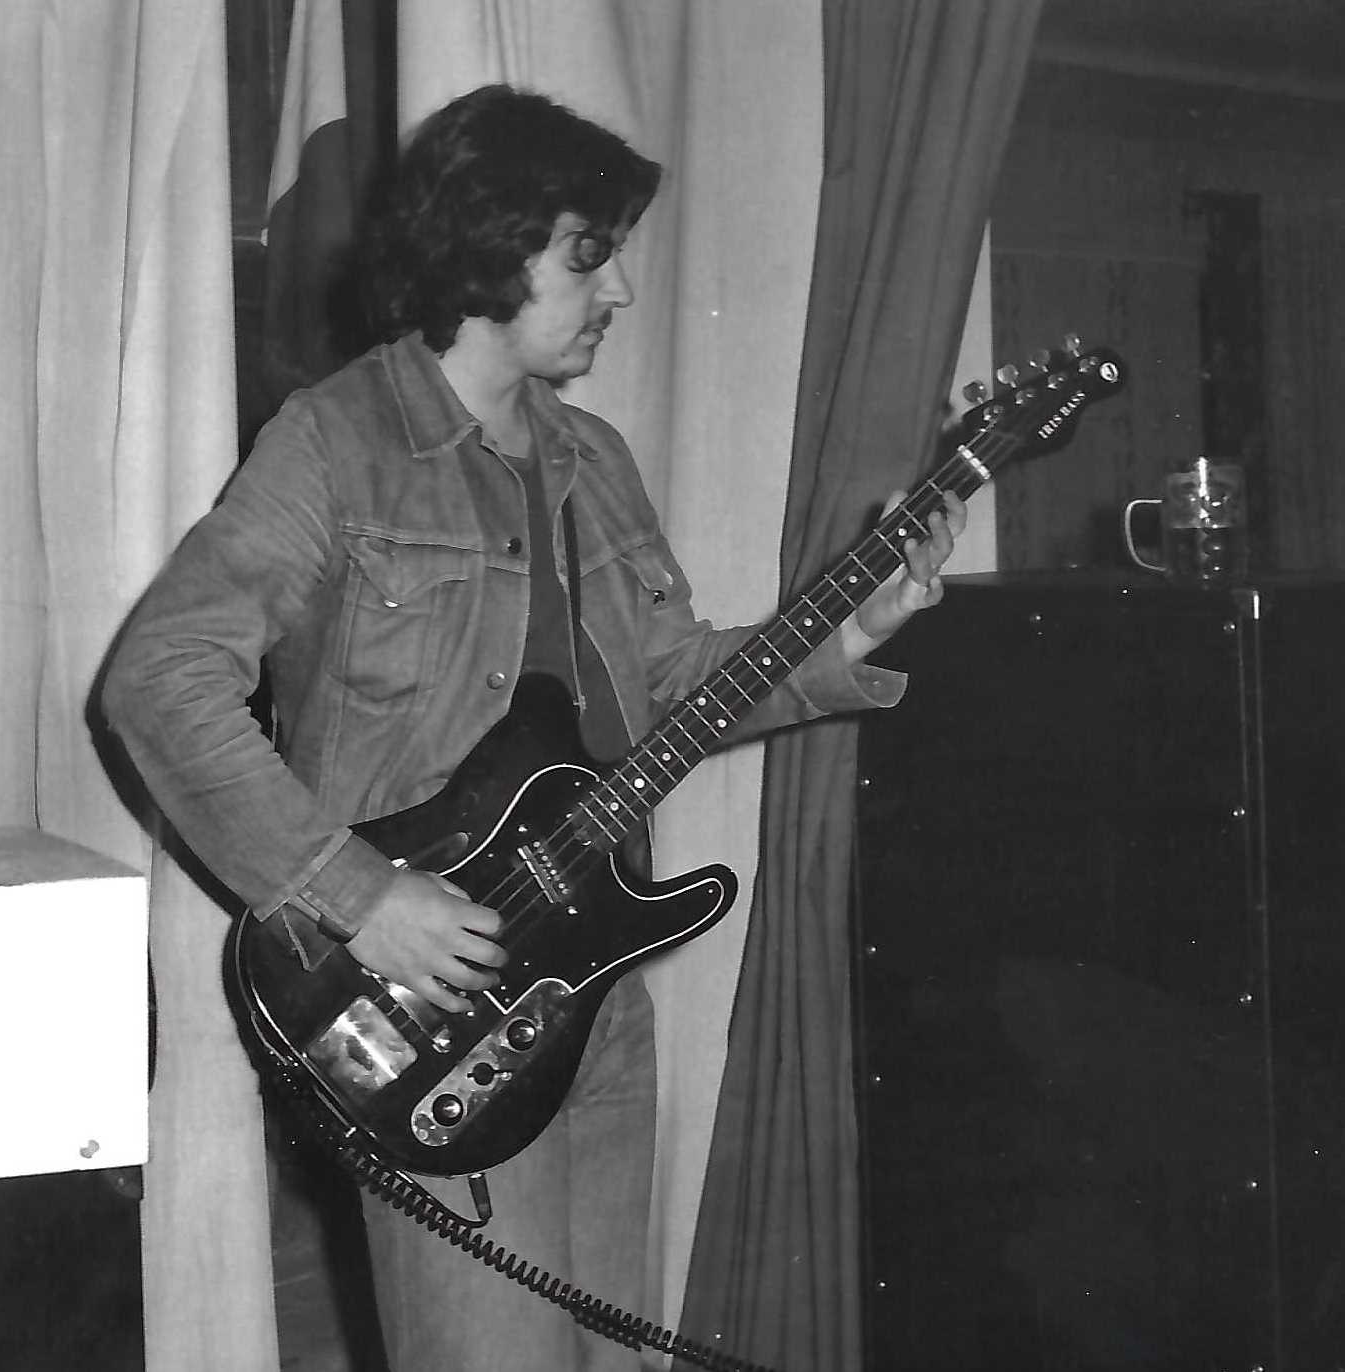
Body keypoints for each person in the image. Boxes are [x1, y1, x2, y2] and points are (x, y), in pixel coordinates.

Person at [101, 83, 965, 1372]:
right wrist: (356, 894)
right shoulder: (336, 442)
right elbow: (160, 678)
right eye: (586, 253)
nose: (619, 289)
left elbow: (670, 682)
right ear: (487, 244)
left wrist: (852, 634)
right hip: (425, 998)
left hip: (592, 992)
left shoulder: (595, 460)